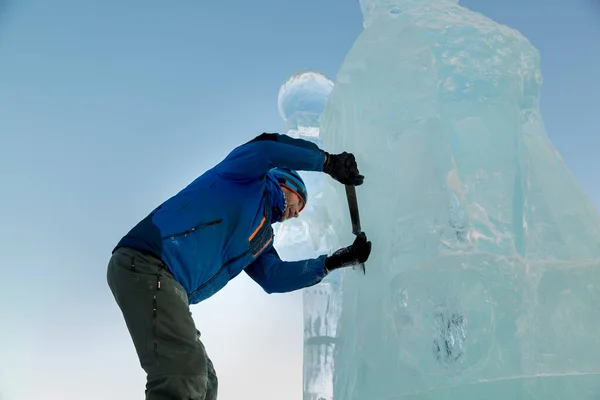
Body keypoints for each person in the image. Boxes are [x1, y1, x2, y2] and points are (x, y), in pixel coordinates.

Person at [106, 132, 372, 400]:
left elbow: (273, 278)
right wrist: (327, 162)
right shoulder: (244, 177)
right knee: (184, 372)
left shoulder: (261, 238)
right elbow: (266, 148)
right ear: (284, 182)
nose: (296, 212)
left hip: (167, 282)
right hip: (146, 261)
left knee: (206, 381)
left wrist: (334, 262)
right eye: (298, 201)